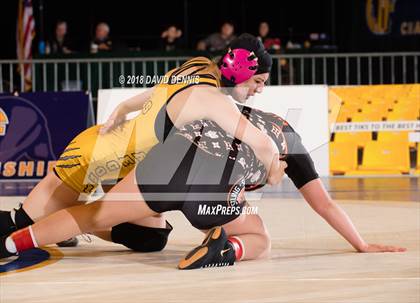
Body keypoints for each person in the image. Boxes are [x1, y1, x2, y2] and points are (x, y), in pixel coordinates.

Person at [0, 104, 405, 268]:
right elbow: (324, 206)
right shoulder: (292, 146)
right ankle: (226, 248)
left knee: (90, 214)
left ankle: (10, 244)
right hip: (212, 185)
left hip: (167, 159)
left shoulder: (238, 111)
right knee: (260, 233)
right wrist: (362, 244)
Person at [0, 34, 282, 254]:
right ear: (240, 69)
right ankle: (62, 221)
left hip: (122, 163)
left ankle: (67, 220)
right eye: (258, 81)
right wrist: (271, 172)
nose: (260, 89)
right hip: (95, 157)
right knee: (21, 223)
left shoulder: (198, 65)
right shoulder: (212, 98)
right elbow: (264, 144)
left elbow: (155, 92)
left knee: (151, 238)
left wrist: (123, 108)